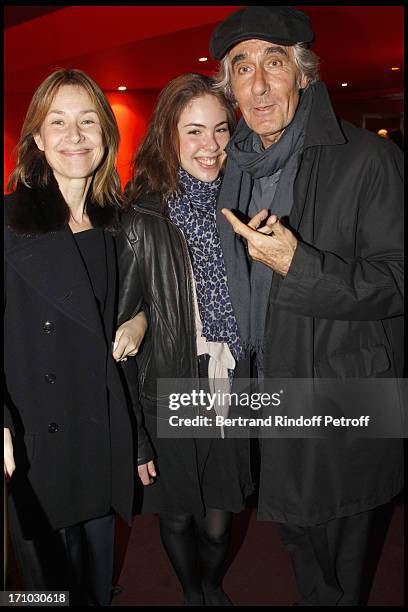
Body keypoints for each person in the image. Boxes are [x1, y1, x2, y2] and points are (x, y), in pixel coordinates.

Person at [208, 6, 404, 606]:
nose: (260, 84)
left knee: (336, 557)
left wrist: (301, 266)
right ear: (230, 85)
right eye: (243, 67)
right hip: (263, 391)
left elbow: (398, 282)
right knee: (296, 534)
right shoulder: (229, 167)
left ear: (303, 74)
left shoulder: (367, 161)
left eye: (274, 63)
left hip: (339, 398)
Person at [4, 68, 150, 605]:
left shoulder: (119, 226)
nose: (75, 135)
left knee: (93, 574)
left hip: (98, 433)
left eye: (88, 121)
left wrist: (140, 321)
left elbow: (127, 316)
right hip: (33, 438)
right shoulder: (7, 225)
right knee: (42, 589)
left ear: (106, 136)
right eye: (58, 122)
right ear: (37, 139)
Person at [115, 73, 254, 606]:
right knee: (175, 515)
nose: (210, 146)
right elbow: (125, 326)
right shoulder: (142, 216)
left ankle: (212, 581)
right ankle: (191, 592)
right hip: (168, 386)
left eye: (220, 130)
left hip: (228, 383)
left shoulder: (242, 204)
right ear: (169, 136)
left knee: (220, 521)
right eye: (193, 131)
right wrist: (138, 438)